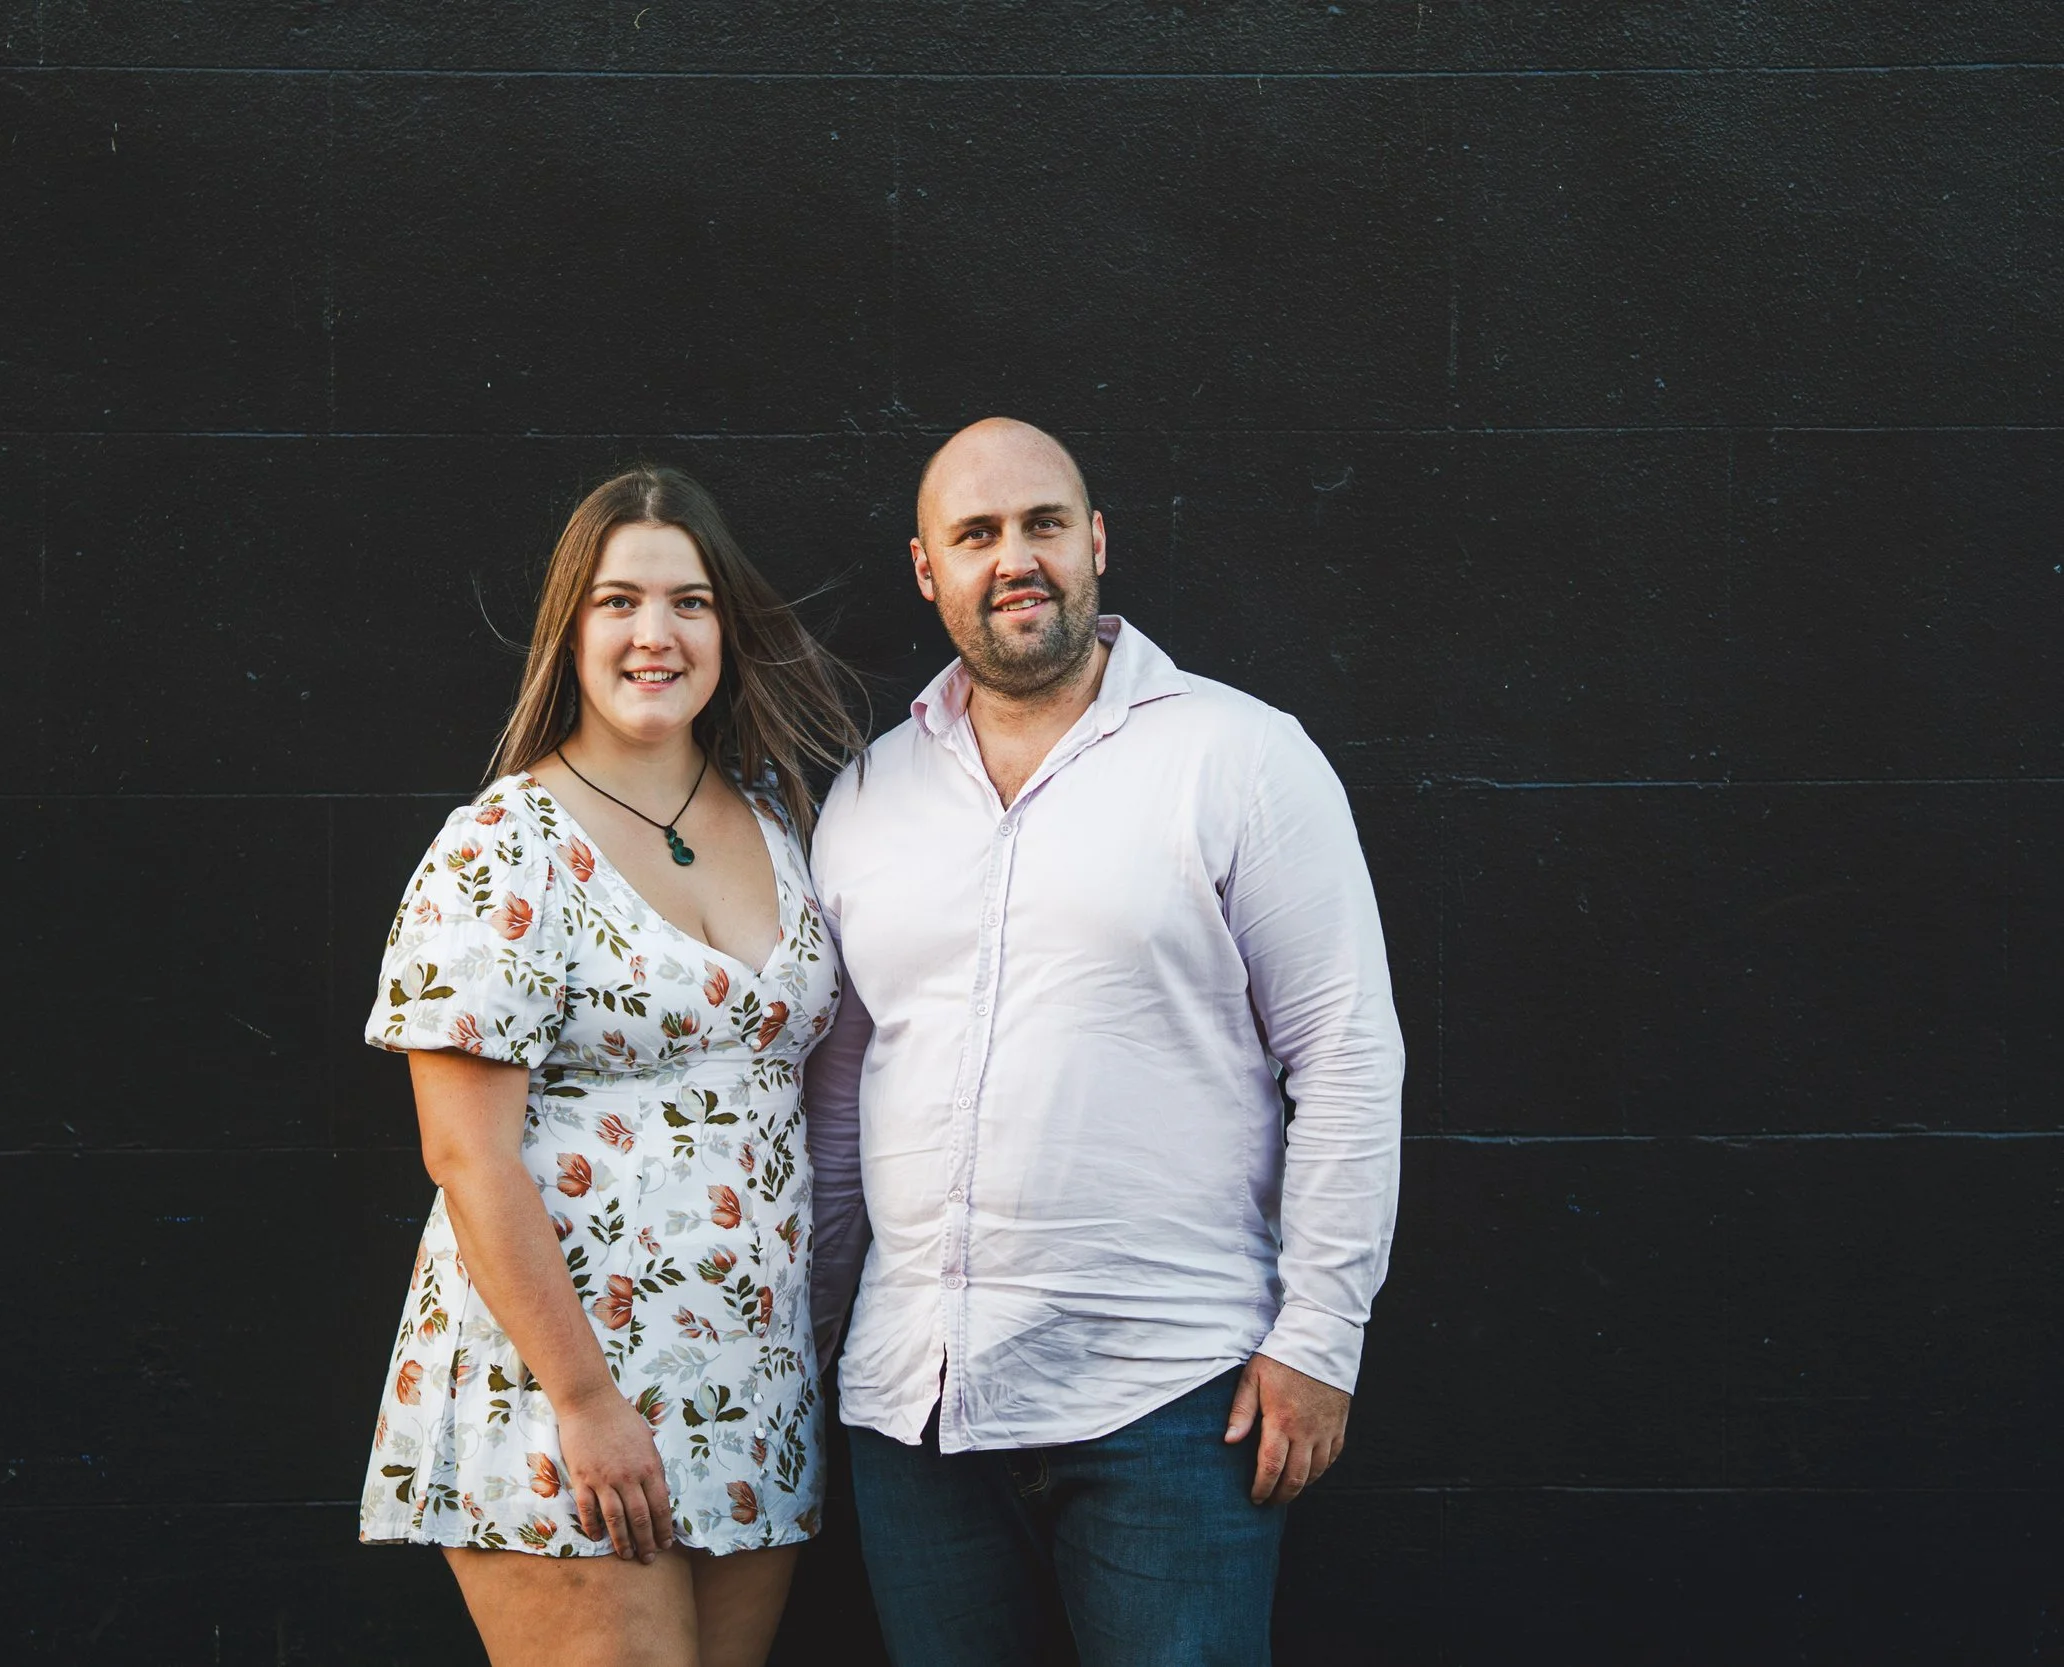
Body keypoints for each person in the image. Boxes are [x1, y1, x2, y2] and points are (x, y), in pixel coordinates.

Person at [803, 418, 1406, 1665]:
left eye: (1042, 524)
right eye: (976, 533)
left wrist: (1319, 1337)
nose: (1013, 558)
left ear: (1095, 542)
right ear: (927, 568)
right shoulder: (867, 794)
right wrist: (804, 1335)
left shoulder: (1239, 756)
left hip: (1172, 1404)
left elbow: (1345, 1053)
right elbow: (841, 1092)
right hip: (916, 1409)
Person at [359, 466, 865, 1667]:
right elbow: (464, 1155)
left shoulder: (779, 819)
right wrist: (586, 1404)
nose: (656, 633)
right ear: (569, 629)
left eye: (689, 602)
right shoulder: (502, 845)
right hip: (559, 1389)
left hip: (747, 1382)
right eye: (619, 601)